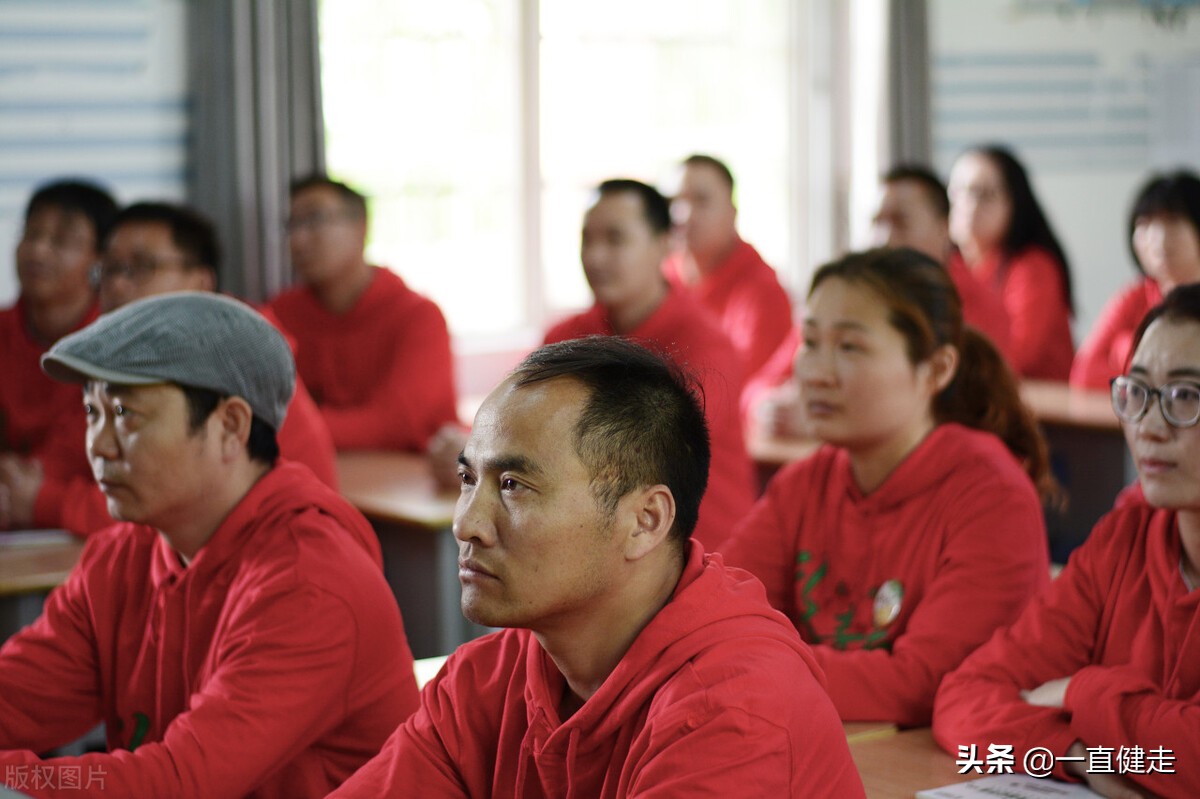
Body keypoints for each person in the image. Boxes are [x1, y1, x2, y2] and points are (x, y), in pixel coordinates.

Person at [330, 337, 866, 798]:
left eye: (514, 486)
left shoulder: (733, 711)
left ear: (645, 520)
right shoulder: (489, 678)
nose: (467, 525)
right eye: (469, 480)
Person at [0, 292, 419, 798]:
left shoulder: (309, 582)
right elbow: (15, 699)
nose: (100, 446)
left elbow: (181, 784)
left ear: (230, 426)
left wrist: (17, 780)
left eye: (127, 415)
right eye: (93, 411)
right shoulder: (122, 558)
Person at [722, 248, 1053, 727]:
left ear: (936, 370)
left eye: (850, 347)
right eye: (810, 342)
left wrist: (746, 666)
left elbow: (920, 684)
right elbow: (714, 614)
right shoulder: (805, 484)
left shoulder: (991, 498)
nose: (815, 372)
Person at [934, 283, 1200, 799]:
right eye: (1137, 392)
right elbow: (963, 700)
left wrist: (1085, 690)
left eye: (1186, 396)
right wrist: (1082, 759)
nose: (1149, 425)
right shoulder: (1126, 538)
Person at [543, 178, 756, 554]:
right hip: (605, 548)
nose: (594, 257)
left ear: (663, 245)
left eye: (615, 239)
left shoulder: (705, 346)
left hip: (697, 554)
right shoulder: (567, 337)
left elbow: (653, 454)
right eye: (586, 240)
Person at [267, 175, 457, 452]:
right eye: (292, 225)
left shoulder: (419, 317)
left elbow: (399, 424)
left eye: (315, 220)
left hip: (409, 483)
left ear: (361, 228)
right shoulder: (280, 314)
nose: (298, 240)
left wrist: (290, 428)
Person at [0, 179, 116, 531]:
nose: (38, 251)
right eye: (31, 234)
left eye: (61, 241)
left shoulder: (114, 344)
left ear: (100, 260)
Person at [947, 144, 1075, 380]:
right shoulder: (950, 264)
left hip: (1038, 407)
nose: (969, 205)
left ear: (1014, 202)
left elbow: (1017, 355)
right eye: (959, 191)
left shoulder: (1033, 267)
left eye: (985, 194)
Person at [664, 154, 793, 385]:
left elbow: (747, 393)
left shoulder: (763, 292)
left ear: (732, 212)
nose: (682, 215)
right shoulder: (659, 277)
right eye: (674, 201)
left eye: (701, 201)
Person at [1071, 170, 1200, 391]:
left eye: (1174, 221)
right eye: (1145, 224)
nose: (1159, 238)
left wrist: (1123, 349)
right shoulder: (1133, 296)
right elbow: (1084, 373)